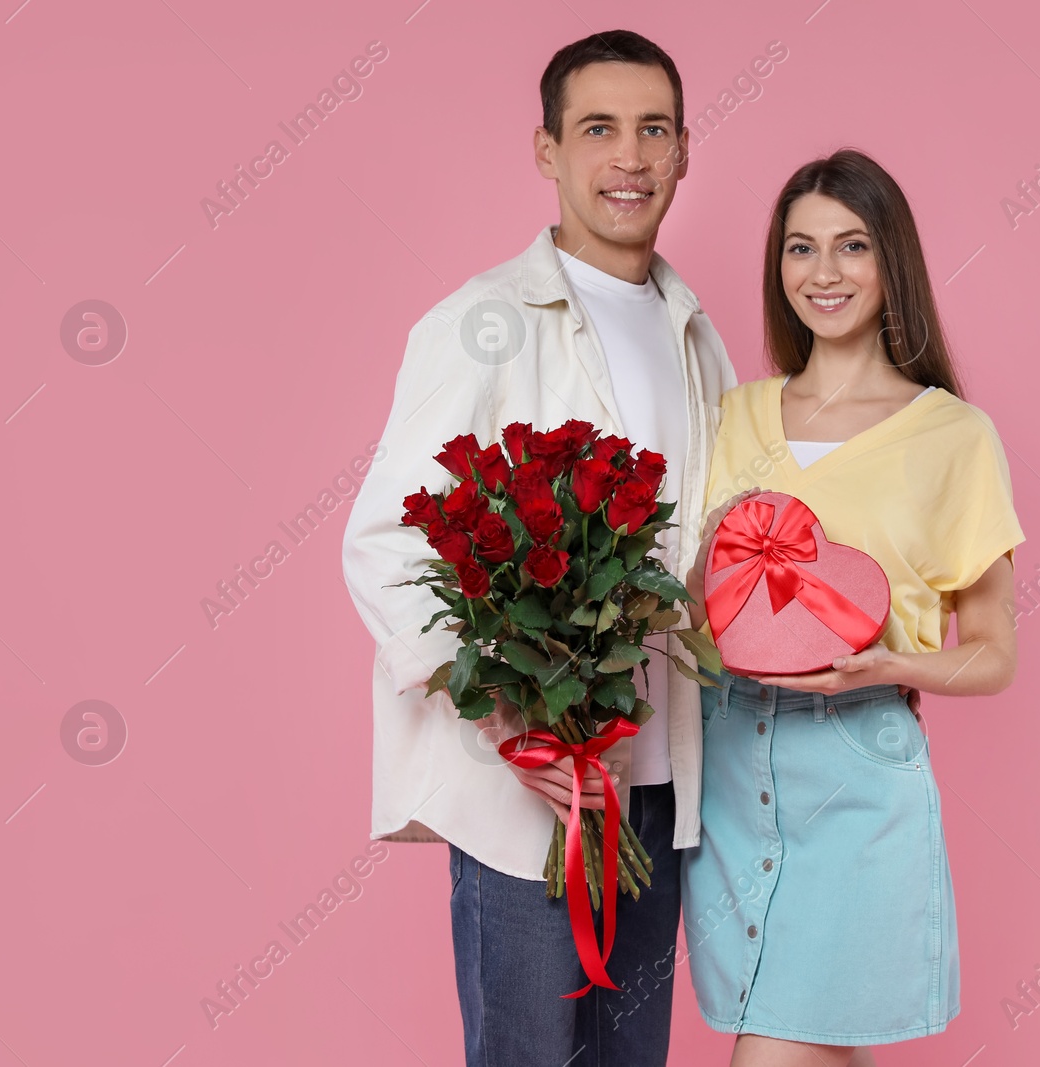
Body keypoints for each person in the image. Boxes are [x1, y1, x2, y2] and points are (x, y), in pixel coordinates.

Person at [340, 29, 736, 1066]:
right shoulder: (480, 321)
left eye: (654, 130)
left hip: (654, 791)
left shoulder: (698, 331)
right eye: (598, 128)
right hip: (526, 793)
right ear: (546, 150)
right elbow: (384, 537)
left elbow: (713, 552)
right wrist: (513, 710)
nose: (630, 158)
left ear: (686, 151)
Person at [680, 148, 1027, 1067]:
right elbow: (688, 601)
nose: (823, 273)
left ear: (890, 264)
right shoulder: (730, 415)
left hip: (858, 770)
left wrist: (892, 667)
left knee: (783, 1049)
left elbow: (993, 650)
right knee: (829, 1049)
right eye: (800, 248)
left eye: (851, 246)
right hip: (728, 766)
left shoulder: (952, 434)